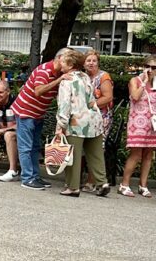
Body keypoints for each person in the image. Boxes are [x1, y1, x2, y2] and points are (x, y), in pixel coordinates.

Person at [11, 47, 69, 190]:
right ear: (59, 58)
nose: (69, 63)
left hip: (38, 113)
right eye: (68, 59)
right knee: (26, 147)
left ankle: (35, 177)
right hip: (25, 112)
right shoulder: (45, 70)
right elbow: (38, 91)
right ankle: (27, 178)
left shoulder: (59, 73)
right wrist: (59, 80)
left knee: (35, 146)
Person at [53, 50, 110, 197]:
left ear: (70, 64)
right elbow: (91, 99)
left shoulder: (66, 81)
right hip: (94, 120)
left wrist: (60, 126)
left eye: (63, 61)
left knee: (73, 155)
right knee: (96, 154)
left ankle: (73, 187)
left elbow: (64, 105)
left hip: (76, 122)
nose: (60, 63)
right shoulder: (85, 77)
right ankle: (102, 182)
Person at [118, 55, 156, 198]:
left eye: (153, 67)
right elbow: (135, 97)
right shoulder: (135, 80)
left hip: (153, 123)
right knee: (136, 154)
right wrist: (144, 82)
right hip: (137, 122)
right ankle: (124, 184)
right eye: (147, 66)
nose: (149, 70)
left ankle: (143, 185)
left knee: (149, 154)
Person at [82, 50, 114, 192]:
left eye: (94, 60)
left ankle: (92, 181)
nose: (91, 63)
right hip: (84, 117)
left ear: (98, 63)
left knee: (96, 148)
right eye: (88, 60)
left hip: (101, 117)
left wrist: (90, 105)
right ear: (83, 63)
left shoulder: (103, 76)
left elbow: (108, 97)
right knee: (83, 147)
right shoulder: (82, 77)